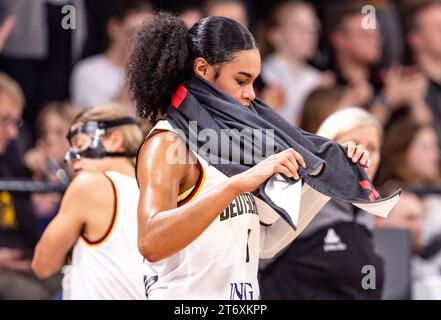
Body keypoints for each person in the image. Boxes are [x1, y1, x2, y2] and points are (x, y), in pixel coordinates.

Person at [128, 13, 385, 300]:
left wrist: (328, 178)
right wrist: (237, 184)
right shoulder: (168, 142)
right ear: (202, 69)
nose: (251, 93)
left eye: (254, 81)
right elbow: (151, 241)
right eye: (241, 80)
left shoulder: (237, 146)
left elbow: (264, 244)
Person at [260, 108, 386, 299]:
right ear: (327, 148)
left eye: (372, 148)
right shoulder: (299, 198)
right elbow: (254, 263)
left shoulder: (367, 213)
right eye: (354, 145)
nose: (363, 154)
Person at [32, 104, 146, 300]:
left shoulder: (89, 186)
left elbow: (42, 265)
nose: (70, 157)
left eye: (79, 144)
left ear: (115, 141)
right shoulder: (153, 189)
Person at [0, 72, 59, 299]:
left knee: (75, 278)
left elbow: (29, 220)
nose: (13, 132)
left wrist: (38, 175)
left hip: (21, 257)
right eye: (5, 121)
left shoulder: (11, 159)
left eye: (16, 122)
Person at [260, 1, 334, 124]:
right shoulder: (258, 75)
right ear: (275, 34)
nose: (309, 35)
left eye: (313, 28)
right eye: (299, 28)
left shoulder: (319, 80)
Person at [70, 0, 152, 108]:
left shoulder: (156, 71)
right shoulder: (88, 72)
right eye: (131, 32)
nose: (138, 41)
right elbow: (103, 119)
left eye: (148, 35)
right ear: (113, 27)